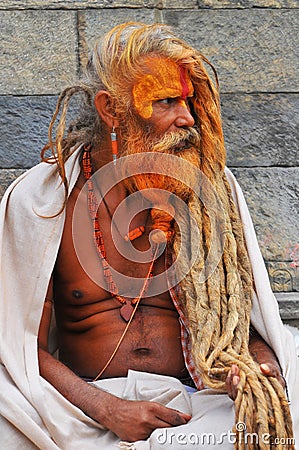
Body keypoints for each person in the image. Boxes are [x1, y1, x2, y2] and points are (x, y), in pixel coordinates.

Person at [0, 22, 298, 450]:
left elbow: (249, 326)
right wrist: (105, 408)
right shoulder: (42, 201)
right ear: (111, 109)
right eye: (165, 101)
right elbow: (17, 345)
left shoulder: (212, 190)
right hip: (76, 405)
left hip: (201, 400)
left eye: (188, 101)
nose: (188, 118)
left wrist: (256, 369)